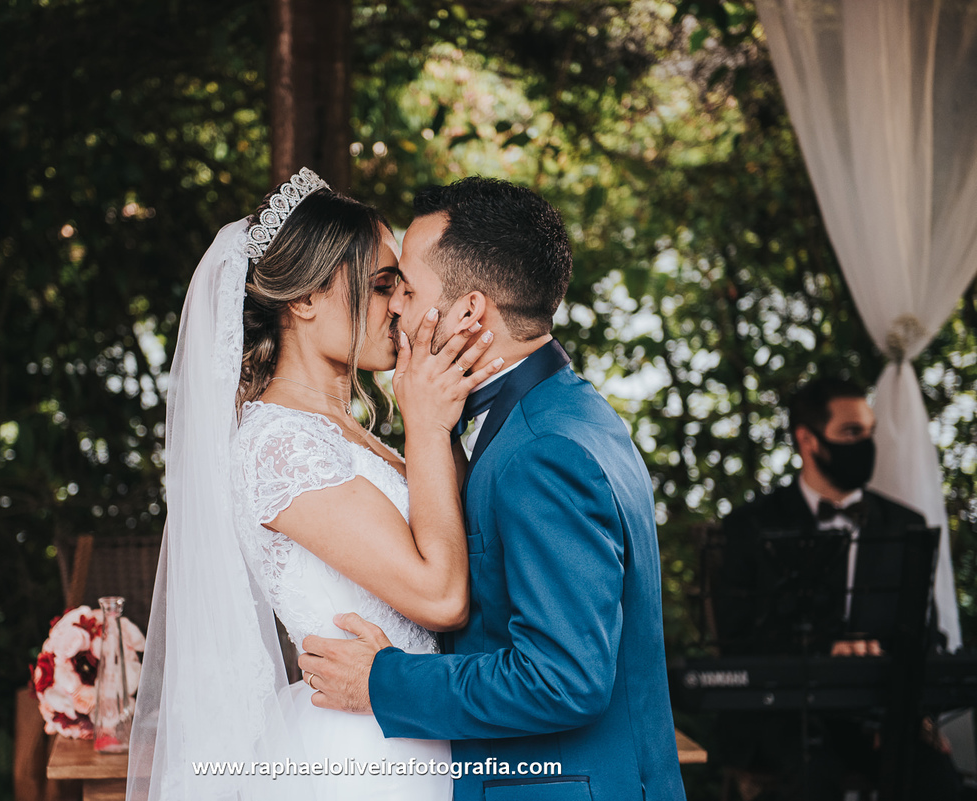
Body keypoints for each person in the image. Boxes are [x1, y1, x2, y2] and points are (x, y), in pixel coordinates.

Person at [298, 178, 686, 801]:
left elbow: (563, 679)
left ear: (470, 311)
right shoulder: (564, 413)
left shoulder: (543, 454)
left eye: (408, 288)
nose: (393, 306)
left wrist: (382, 683)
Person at [126, 168, 505, 801]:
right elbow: (440, 598)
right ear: (302, 300)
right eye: (383, 285)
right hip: (361, 761)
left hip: (415, 731)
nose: (400, 306)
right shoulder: (281, 447)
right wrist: (425, 424)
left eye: (402, 287)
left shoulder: (347, 432)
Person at [715, 376, 960, 800]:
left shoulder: (905, 526)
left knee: (937, 779)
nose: (865, 444)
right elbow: (736, 638)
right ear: (807, 440)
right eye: (851, 432)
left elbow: (925, 636)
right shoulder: (750, 527)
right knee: (808, 782)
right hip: (786, 720)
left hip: (878, 717)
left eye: (869, 432)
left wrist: (907, 715)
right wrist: (825, 649)